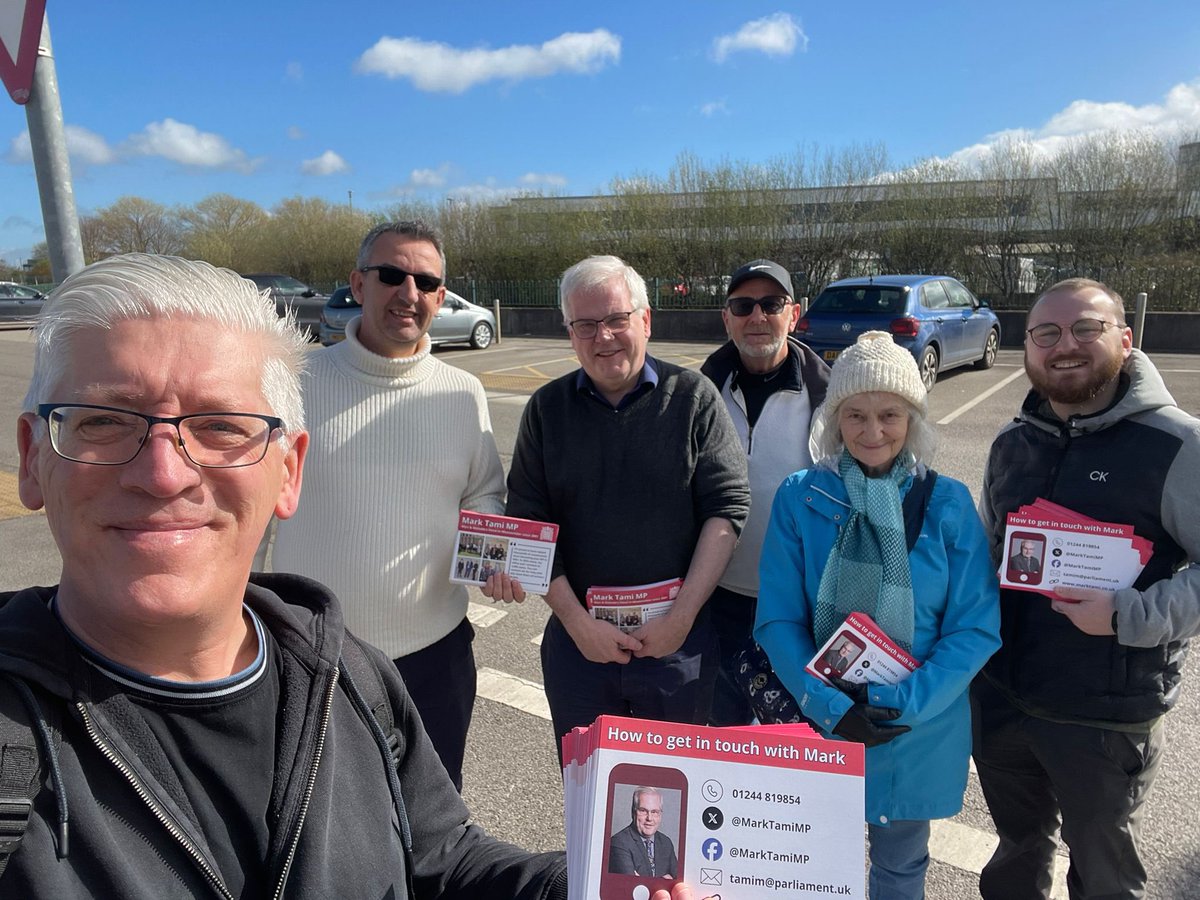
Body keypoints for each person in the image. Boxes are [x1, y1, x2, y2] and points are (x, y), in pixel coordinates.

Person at [0, 254, 568, 896]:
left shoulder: (351, 678)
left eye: (220, 427)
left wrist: (574, 886)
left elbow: (440, 859)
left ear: (289, 471)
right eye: (103, 420)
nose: (163, 474)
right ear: (31, 456)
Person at [974, 278, 1200, 900]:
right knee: (1017, 854)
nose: (1064, 346)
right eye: (1046, 333)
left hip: (1104, 713)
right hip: (1005, 700)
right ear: (1028, 347)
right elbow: (993, 560)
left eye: (1085, 329)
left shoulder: (1179, 445)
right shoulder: (1011, 443)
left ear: (1125, 340)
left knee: (1103, 877)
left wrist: (1130, 614)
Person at [756, 330, 1001, 900]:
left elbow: (974, 627)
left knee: (899, 867)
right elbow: (777, 619)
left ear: (912, 417)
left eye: (889, 414)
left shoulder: (948, 504)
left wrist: (900, 705)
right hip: (821, 722)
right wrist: (829, 705)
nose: (872, 432)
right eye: (855, 415)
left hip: (914, 726)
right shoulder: (800, 497)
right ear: (834, 419)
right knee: (812, 863)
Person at [268, 220, 504, 791]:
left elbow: (483, 491)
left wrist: (494, 553)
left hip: (436, 656)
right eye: (392, 275)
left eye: (426, 282)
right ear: (357, 282)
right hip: (315, 656)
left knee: (433, 827)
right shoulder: (294, 384)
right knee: (325, 829)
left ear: (442, 297)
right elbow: (247, 503)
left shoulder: (461, 391)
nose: (409, 293)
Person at [497, 255, 750, 756]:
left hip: (676, 647)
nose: (604, 337)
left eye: (616, 320)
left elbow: (727, 511)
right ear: (569, 332)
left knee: (674, 797)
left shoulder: (694, 398)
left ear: (646, 320)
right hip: (580, 650)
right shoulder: (546, 411)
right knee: (589, 798)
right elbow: (529, 523)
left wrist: (680, 619)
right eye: (586, 325)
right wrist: (577, 624)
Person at [699, 258, 830, 726]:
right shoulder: (697, 396)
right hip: (717, 599)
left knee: (794, 744)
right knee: (723, 734)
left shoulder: (831, 400)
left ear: (794, 314)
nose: (757, 317)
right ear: (727, 318)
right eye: (743, 305)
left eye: (771, 304)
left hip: (800, 606)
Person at [608, 787, 678, 878]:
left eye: (654, 812)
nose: (649, 818)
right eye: (643, 811)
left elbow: (677, 882)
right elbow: (631, 884)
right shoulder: (618, 842)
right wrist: (663, 881)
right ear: (633, 812)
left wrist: (642, 879)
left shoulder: (666, 842)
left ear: (660, 815)